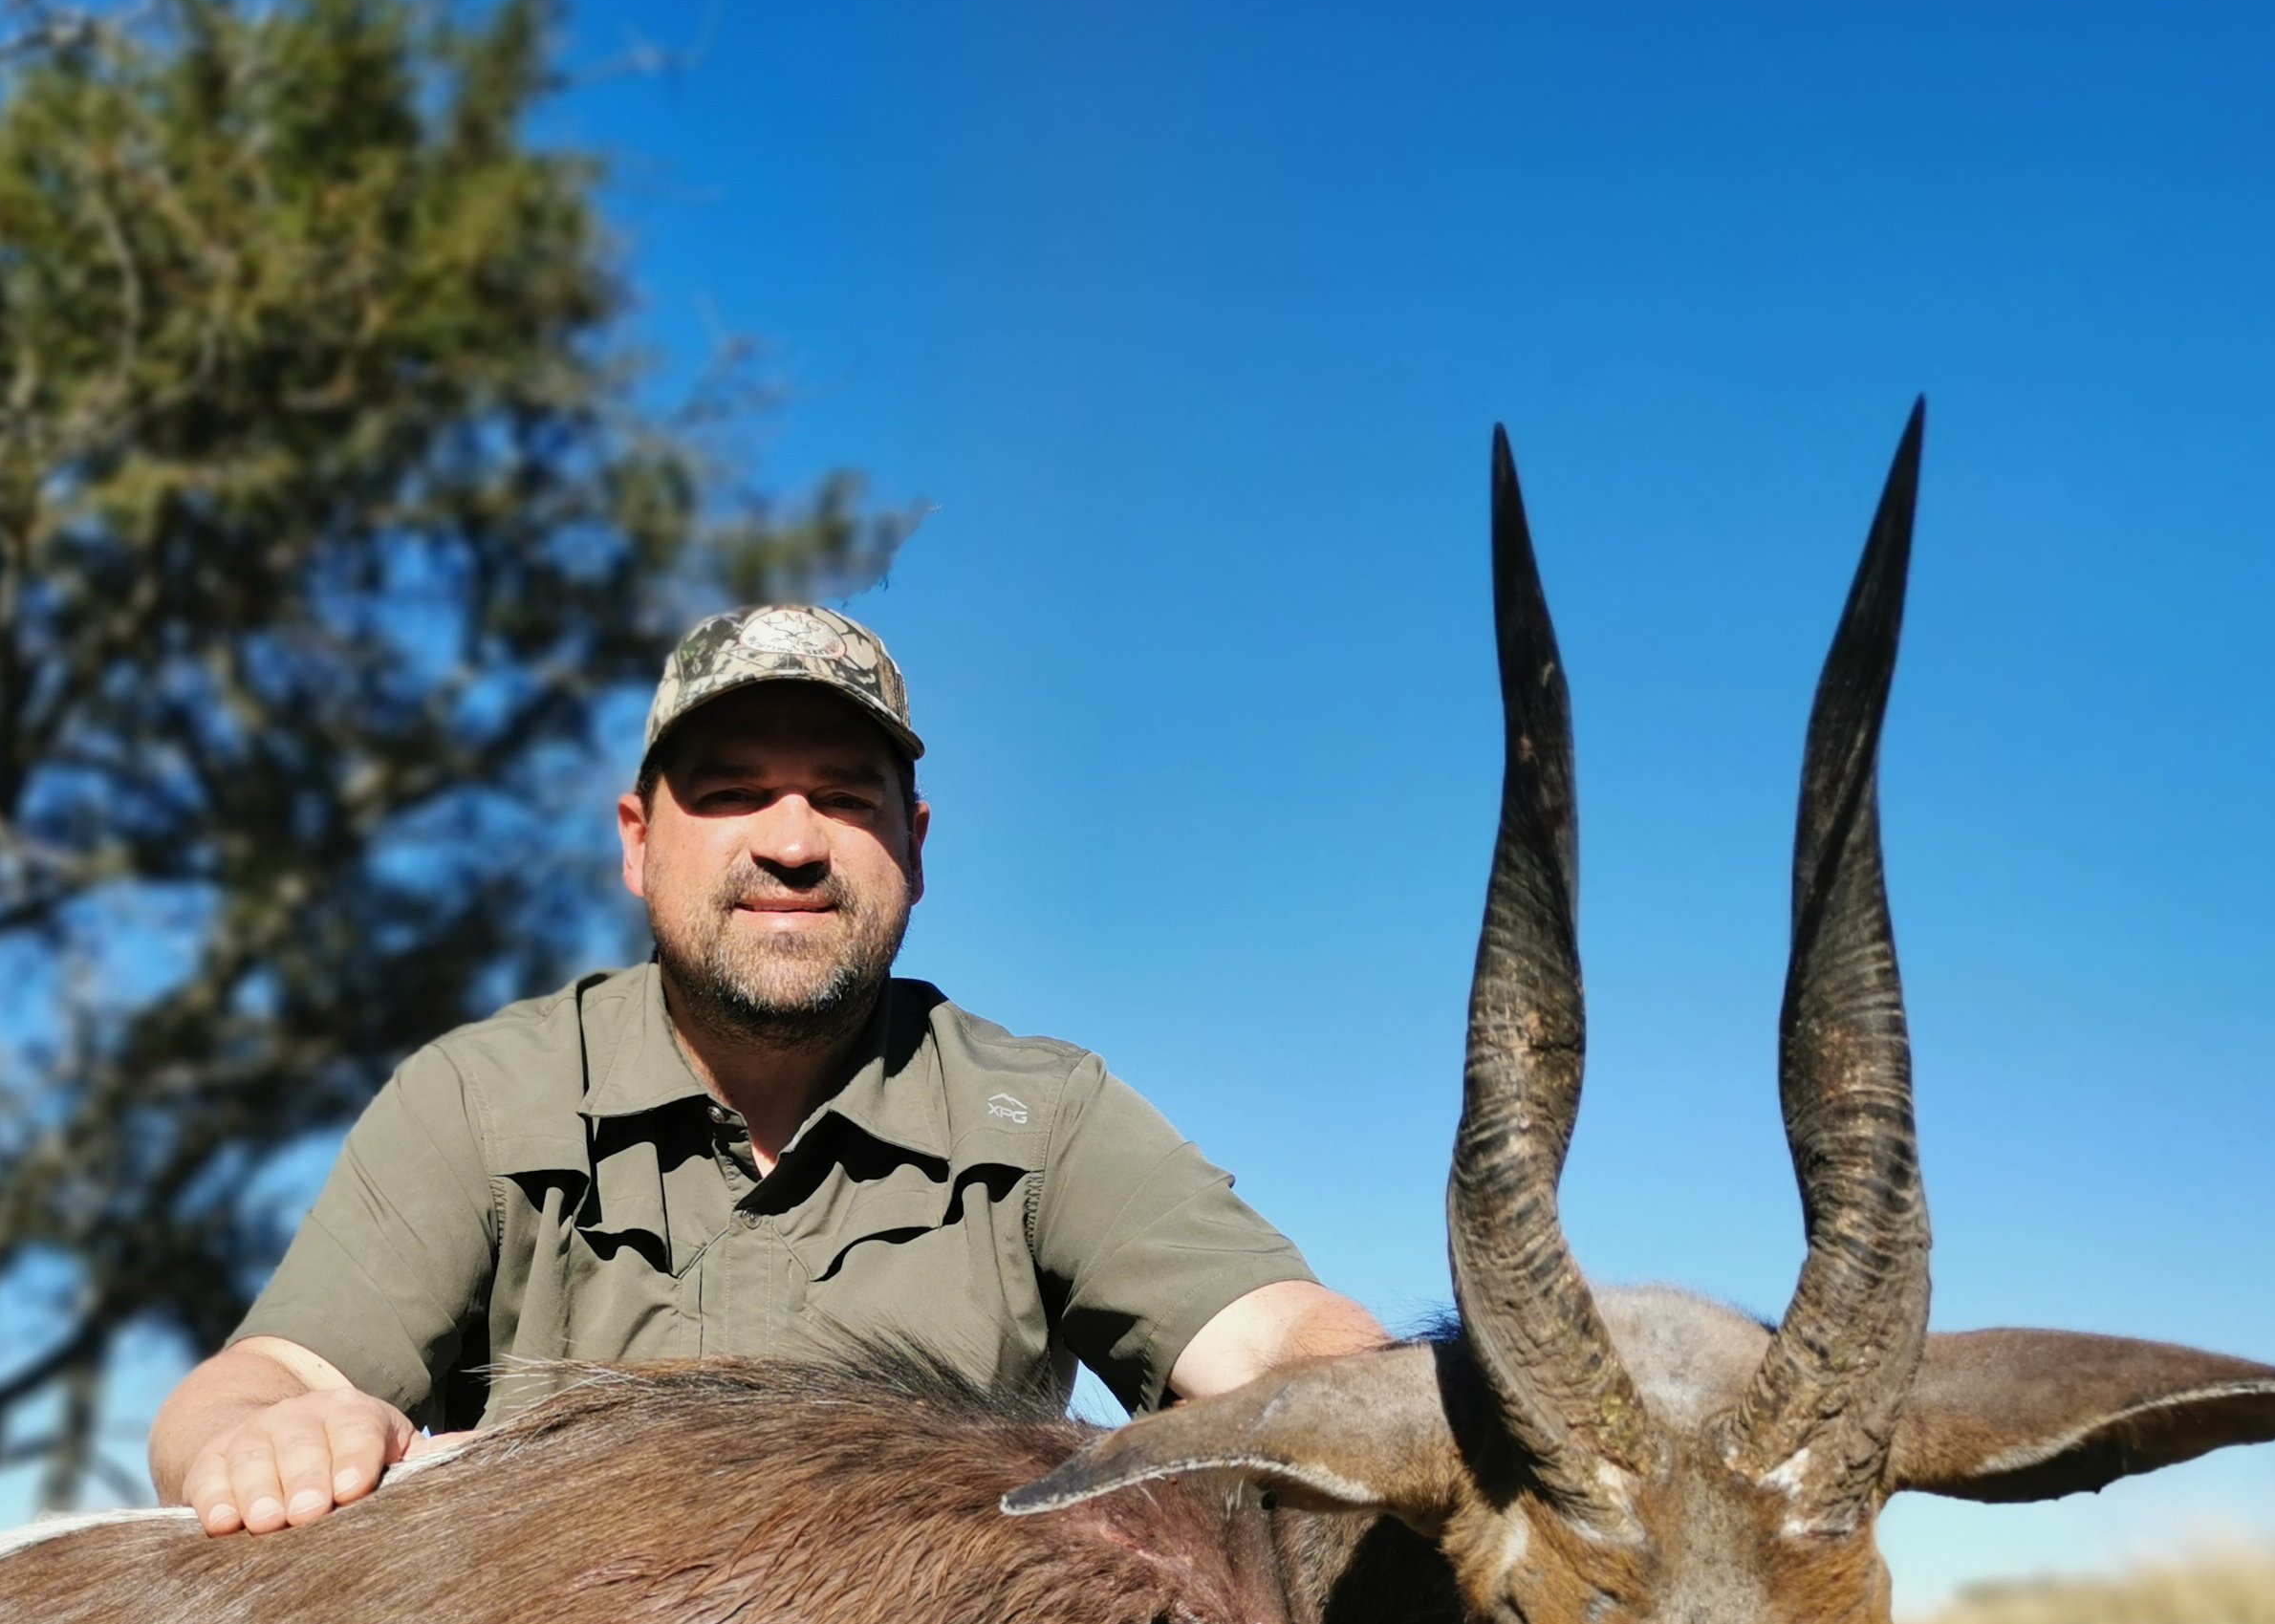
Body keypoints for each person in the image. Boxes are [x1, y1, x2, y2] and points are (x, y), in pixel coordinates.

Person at [146, 602, 1386, 1537]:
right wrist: (270, 1438)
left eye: (845, 798)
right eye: (735, 792)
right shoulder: (480, 1094)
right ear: (640, 844)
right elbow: (262, 1383)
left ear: (914, 843)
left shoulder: (1044, 1112)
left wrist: (1366, 1388)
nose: (793, 843)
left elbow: (1277, 1344)